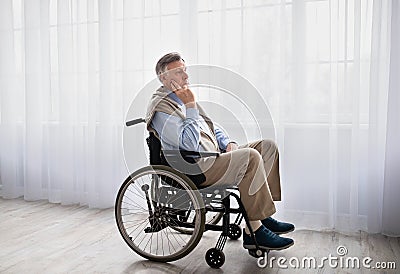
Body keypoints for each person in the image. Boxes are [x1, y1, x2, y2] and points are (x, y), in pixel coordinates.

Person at [145, 52, 294, 251]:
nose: (186, 77)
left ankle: (262, 215)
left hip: (213, 155)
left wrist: (228, 143)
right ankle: (254, 231)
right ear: (164, 78)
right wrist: (190, 105)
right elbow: (189, 144)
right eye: (179, 72)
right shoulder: (162, 108)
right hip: (196, 167)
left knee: (267, 148)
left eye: (185, 71)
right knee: (251, 157)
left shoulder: (181, 97)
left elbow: (209, 127)